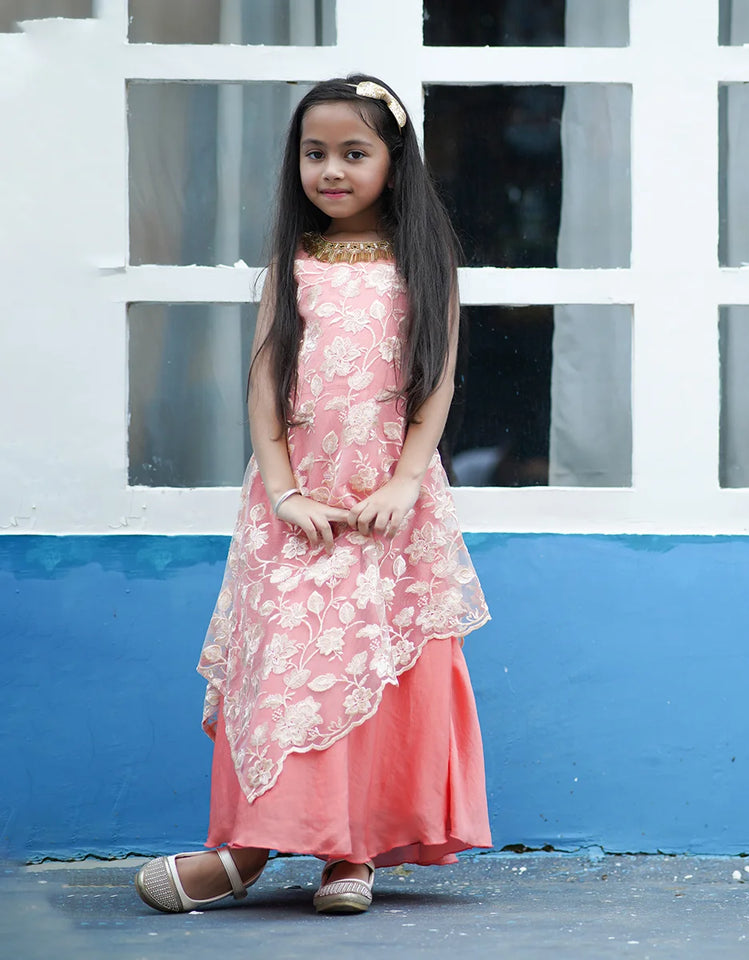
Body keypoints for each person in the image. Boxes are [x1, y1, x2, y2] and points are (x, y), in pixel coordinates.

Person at [135, 74, 491, 917]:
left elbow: (434, 379)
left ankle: (352, 855)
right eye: (315, 152)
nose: (331, 169)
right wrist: (285, 491)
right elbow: (264, 385)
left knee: (374, 671)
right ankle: (247, 853)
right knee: (285, 671)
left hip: (386, 507)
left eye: (354, 153)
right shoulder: (289, 264)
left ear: (395, 165)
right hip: (298, 510)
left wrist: (406, 480)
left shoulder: (423, 262)